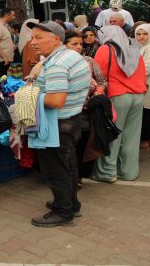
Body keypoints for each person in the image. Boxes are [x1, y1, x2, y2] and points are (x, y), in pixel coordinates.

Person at [26, 21, 90, 227]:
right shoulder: (70, 56)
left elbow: (55, 100)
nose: (33, 42)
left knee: (56, 170)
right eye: (32, 37)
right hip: (71, 121)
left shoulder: (57, 64)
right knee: (68, 165)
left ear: (55, 40)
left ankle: (62, 212)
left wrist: (29, 94)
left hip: (58, 123)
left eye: (38, 38)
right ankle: (71, 203)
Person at [93, 25, 146, 182]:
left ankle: (107, 173)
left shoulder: (105, 49)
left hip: (117, 96)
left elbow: (98, 74)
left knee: (112, 134)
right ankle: (129, 172)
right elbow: (143, 73)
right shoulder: (134, 49)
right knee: (132, 137)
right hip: (138, 96)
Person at [63, 30, 106, 184]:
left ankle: (79, 176)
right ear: (64, 45)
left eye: (80, 44)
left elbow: (102, 81)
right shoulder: (56, 63)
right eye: (74, 44)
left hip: (85, 112)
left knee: (81, 144)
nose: (79, 47)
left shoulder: (89, 61)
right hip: (64, 112)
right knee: (67, 146)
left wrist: (98, 91)